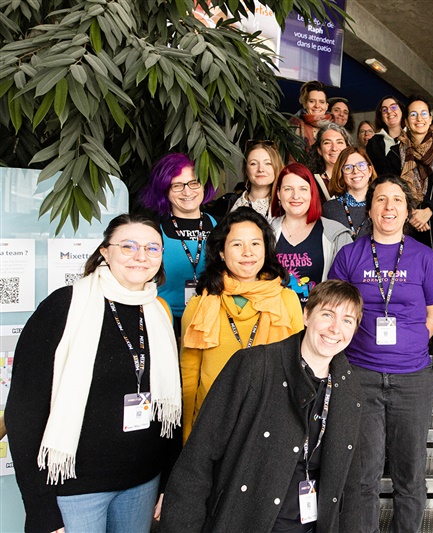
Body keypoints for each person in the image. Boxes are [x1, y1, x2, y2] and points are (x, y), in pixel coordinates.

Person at [5, 214, 181, 533]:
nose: (141, 256)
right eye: (128, 246)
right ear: (105, 252)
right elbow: (23, 412)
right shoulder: (64, 307)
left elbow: (168, 412)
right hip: (74, 488)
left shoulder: (157, 312)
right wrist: (41, 507)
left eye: (152, 248)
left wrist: (168, 480)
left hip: (141, 484)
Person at [160, 280, 365, 533]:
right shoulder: (254, 367)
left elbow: (350, 485)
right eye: (327, 315)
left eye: (347, 320)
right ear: (306, 315)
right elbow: (198, 458)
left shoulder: (350, 390)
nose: (335, 328)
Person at [328, 175, 433, 533]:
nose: (389, 207)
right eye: (381, 199)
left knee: (410, 475)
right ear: (370, 209)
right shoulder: (350, 255)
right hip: (360, 376)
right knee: (362, 475)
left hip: (412, 380)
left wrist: (411, 344)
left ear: (408, 210)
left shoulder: (425, 256)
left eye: (397, 199)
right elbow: (334, 309)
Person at [181, 207, 303, 441]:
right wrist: (188, 436)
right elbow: (189, 375)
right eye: (237, 244)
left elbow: (297, 368)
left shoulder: (286, 300)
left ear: (266, 249)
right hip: (211, 426)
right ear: (221, 252)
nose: (248, 252)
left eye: (255, 244)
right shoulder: (200, 304)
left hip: (269, 424)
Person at [389, 94, 433, 387]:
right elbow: (390, 189)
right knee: (405, 294)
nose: (419, 119)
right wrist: (410, 215)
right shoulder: (395, 153)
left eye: (423, 114)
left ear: (430, 119)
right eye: (413, 115)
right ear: (406, 121)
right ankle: (407, 352)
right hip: (404, 230)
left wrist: (428, 210)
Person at [139, 153, 217, 337]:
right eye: (177, 185)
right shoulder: (152, 229)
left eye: (194, 183)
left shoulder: (220, 226)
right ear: (164, 190)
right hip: (163, 319)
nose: (187, 192)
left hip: (210, 318)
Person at [270, 163, 351, 308]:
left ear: (312, 193)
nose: (296, 196)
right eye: (288, 189)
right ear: (278, 194)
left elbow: (347, 290)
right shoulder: (264, 233)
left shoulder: (337, 235)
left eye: (303, 189)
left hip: (319, 318)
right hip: (274, 318)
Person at [323, 146, 376, 240]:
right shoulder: (329, 209)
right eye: (348, 168)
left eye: (361, 165)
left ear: (370, 171)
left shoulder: (383, 205)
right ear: (341, 174)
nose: (355, 171)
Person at [231, 140, 284, 220]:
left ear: (277, 167)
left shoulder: (285, 204)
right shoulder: (230, 203)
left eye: (268, 163)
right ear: (246, 169)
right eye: (253, 163)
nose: (260, 169)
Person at [308, 122, 351, 201]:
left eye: (339, 142)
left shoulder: (357, 177)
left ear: (347, 148)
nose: (334, 148)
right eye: (327, 143)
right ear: (319, 150)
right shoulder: (311, 182)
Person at [365, 96, 405, 175]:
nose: (389, 111)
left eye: (393, 107)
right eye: (384, 110)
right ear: (381, 117)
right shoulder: (373, 143)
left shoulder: (413, 136)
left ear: (401, 110)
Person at [289, 80, 331, 151]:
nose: (317, 106)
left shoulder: (335, 128)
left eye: (322, 102)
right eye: (312, 101)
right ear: (305, 104)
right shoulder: (292, 126)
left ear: (326, 106)